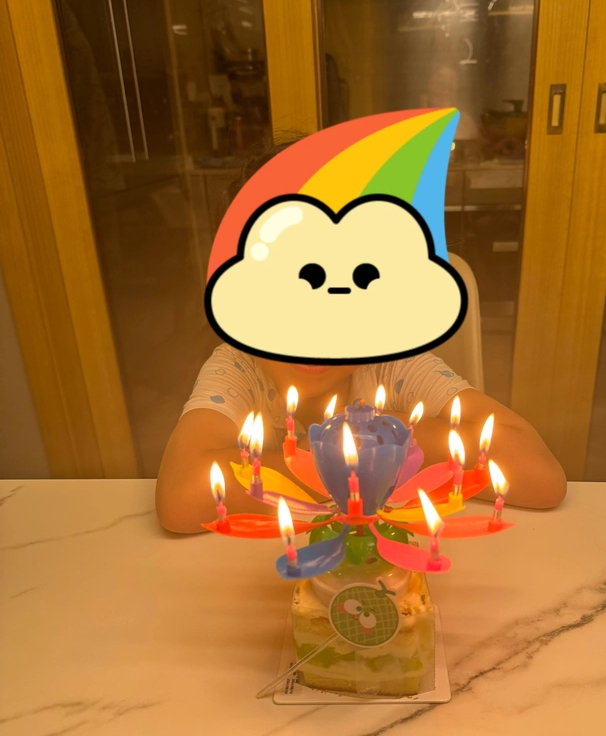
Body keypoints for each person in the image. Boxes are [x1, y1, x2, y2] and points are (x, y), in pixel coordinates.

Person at [156, 145, 566, 534]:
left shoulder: (390, 362)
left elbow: (541, 477)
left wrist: (378, 438)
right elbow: (181, 498)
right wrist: (360, 458)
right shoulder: (239, 366)